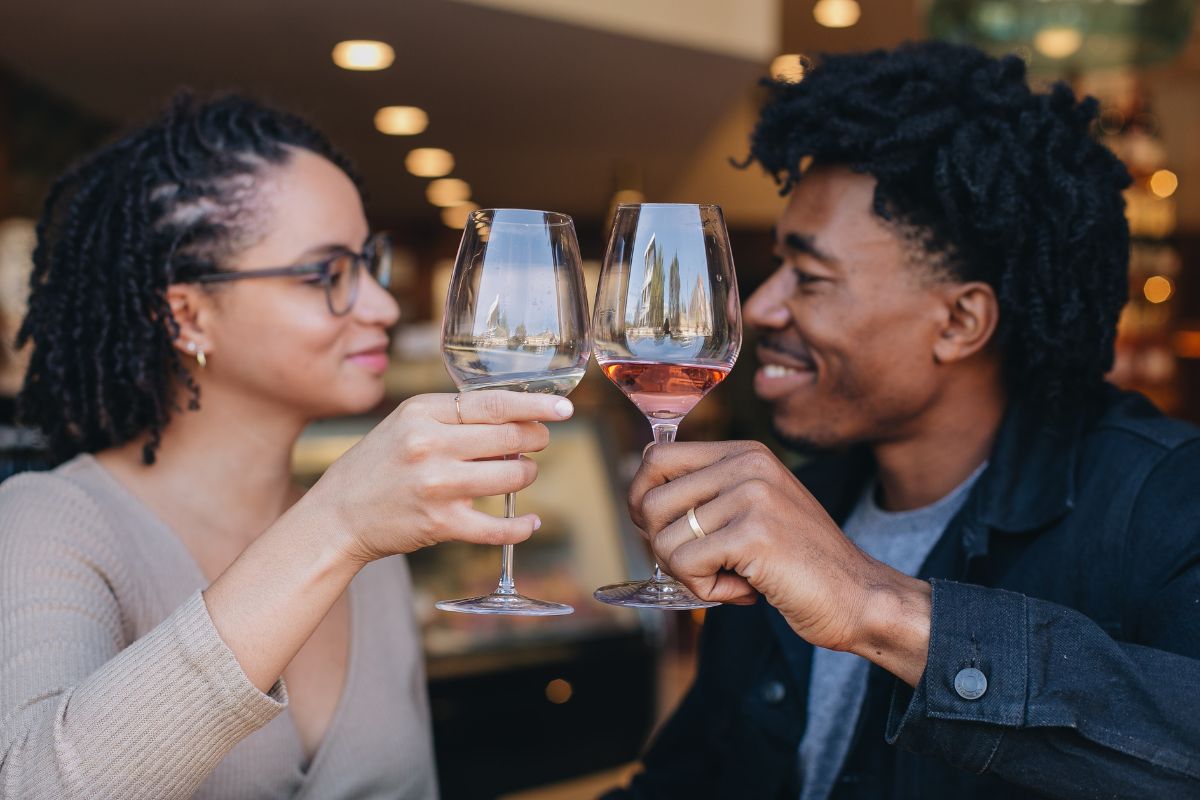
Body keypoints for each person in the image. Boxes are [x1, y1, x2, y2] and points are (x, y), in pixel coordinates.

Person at [609, 42, 1200, 799]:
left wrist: (875, 606)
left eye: (811, 278)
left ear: (959, 322)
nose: (759, 307)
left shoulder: (1163, 500)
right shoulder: (788, 504)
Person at [0, 93, 572, 799]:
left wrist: (347, 531)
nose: (383, 307)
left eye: (370, 262)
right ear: (187, 313)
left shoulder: (374, 556)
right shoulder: (49, 521)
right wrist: (333, 526)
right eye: (327, 274)